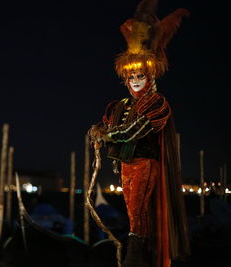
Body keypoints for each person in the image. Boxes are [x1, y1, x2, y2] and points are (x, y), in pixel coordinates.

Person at [88, 0, 190, 266]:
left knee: (138, 209)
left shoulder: (157, 103)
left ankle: (138, 257)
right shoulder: (120, 105)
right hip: (125, 165)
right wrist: (99, 131)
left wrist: (109, 136)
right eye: (131, 77)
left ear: (149, 77)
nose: (135, 81)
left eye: (140, 77)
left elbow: (136, 130)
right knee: (131, 209)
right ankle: (136, 254)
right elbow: (110, 126)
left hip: (145, 163)